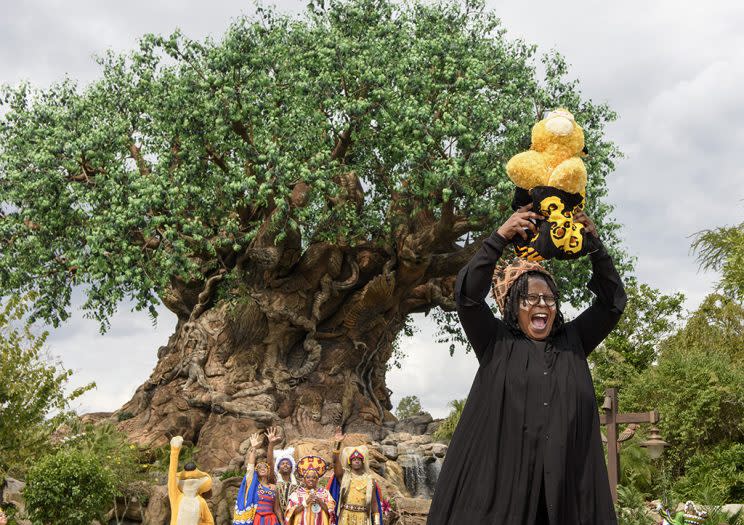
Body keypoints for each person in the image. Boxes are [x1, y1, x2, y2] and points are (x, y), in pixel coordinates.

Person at [427, 204, 627, 525]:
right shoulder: (496, 341)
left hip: (566, 501)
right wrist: (499, 237)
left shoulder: (573, 342)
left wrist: (595, 248)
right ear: (513, 306)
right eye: (530, 298)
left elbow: (613, 303)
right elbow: (467, 297)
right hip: (500, 503)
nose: (541, 305)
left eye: (549, 299)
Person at [327, 427, 383, 525]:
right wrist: (338, 443)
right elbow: (335, 462)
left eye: (359, 459)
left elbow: (374, 504)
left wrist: (377, 522)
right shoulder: (344, 476)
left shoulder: (371, 481)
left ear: (362, 462)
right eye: (354, 459)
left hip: (363, 519)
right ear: (350, 463)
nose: (356, 460)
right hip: (345, 517)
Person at [233, 430, 283, 525]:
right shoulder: (253, 484)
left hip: (271, 520)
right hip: (257, 520)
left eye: (265, 467)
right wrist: (253, 449)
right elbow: (250, 468)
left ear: (269, 471)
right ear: (256, 471)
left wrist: (282, 522)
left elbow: (276, 509)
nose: (263, 468)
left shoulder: (273, 487)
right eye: (259, 467)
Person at [168, 435, 215, 525]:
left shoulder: (202, 502)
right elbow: (171, 477)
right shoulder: (176, 497)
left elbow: (209, 522)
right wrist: (174, 451)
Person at [285, 456, 336, 525]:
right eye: (308, 477)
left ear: (317, 480)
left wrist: (319, 501)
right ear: (304, 480)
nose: (311, 479)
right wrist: (306, 502)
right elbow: (291, 513)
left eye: (314, 477)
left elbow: (331, 512)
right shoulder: (296, 493)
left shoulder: (325, 493)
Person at [266, 428, 298, 516]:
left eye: (288, 463)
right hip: (277, 519)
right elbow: (269, 463)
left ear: (292, 467)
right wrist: (271, 445)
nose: (285, 465)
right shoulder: (274, 480)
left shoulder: (298, 484)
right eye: (282, 463)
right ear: (278, 467)